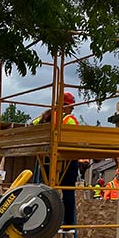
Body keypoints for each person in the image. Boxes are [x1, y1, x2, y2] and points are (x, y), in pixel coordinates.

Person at [32, 92, 78, 225]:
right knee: (68, 191)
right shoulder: (69, 119)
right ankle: (68, 224)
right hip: (65, 160)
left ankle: (42, 221)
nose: (72, 109)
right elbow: (76, 138)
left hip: (46, 160)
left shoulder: (44, 116)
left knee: (44, 191)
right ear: (64, 106)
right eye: (71, 107)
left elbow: (31, 126)